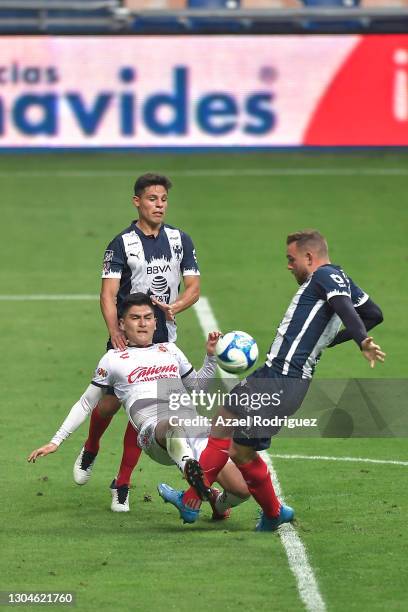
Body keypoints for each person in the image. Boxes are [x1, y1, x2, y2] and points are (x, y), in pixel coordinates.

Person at [159, 230, 385, 530]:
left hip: (281, 377)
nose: (289, 266)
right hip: (285, 380)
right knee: (240, 449)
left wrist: (361, 340)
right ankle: (273, 513)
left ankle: (190, 501)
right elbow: (373, 312)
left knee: (225, 427)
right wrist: (326, 340)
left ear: (309, 256)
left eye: (292, 259)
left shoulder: (326, 276)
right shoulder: (339, 276)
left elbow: (345, 306)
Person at [28, 293, 250, 521]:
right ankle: (190, 469)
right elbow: (86, 402)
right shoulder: (113, 359)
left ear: (156, 322)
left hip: (194, 429)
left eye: (148, 317)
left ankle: (216, 502)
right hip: (154, 434)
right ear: (122, 324)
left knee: (242, 490)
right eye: (135, 318)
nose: (143, 323)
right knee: (172, 425)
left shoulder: (170, 350)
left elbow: (198, 388)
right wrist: (56, 440)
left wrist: (211, 357)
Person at [77, 173, 201, 512]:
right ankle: (91, 447)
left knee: (145, 411)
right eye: (152, 199)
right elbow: (108, 294)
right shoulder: (121, 244)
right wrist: (114, 329)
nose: (159, 205)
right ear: (137, 202)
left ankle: (122, 483)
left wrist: (175, 306)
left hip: (162, 340)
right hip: (127, 336)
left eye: (163, 199)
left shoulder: (179, 239)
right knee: (108, 404)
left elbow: (193, 287)